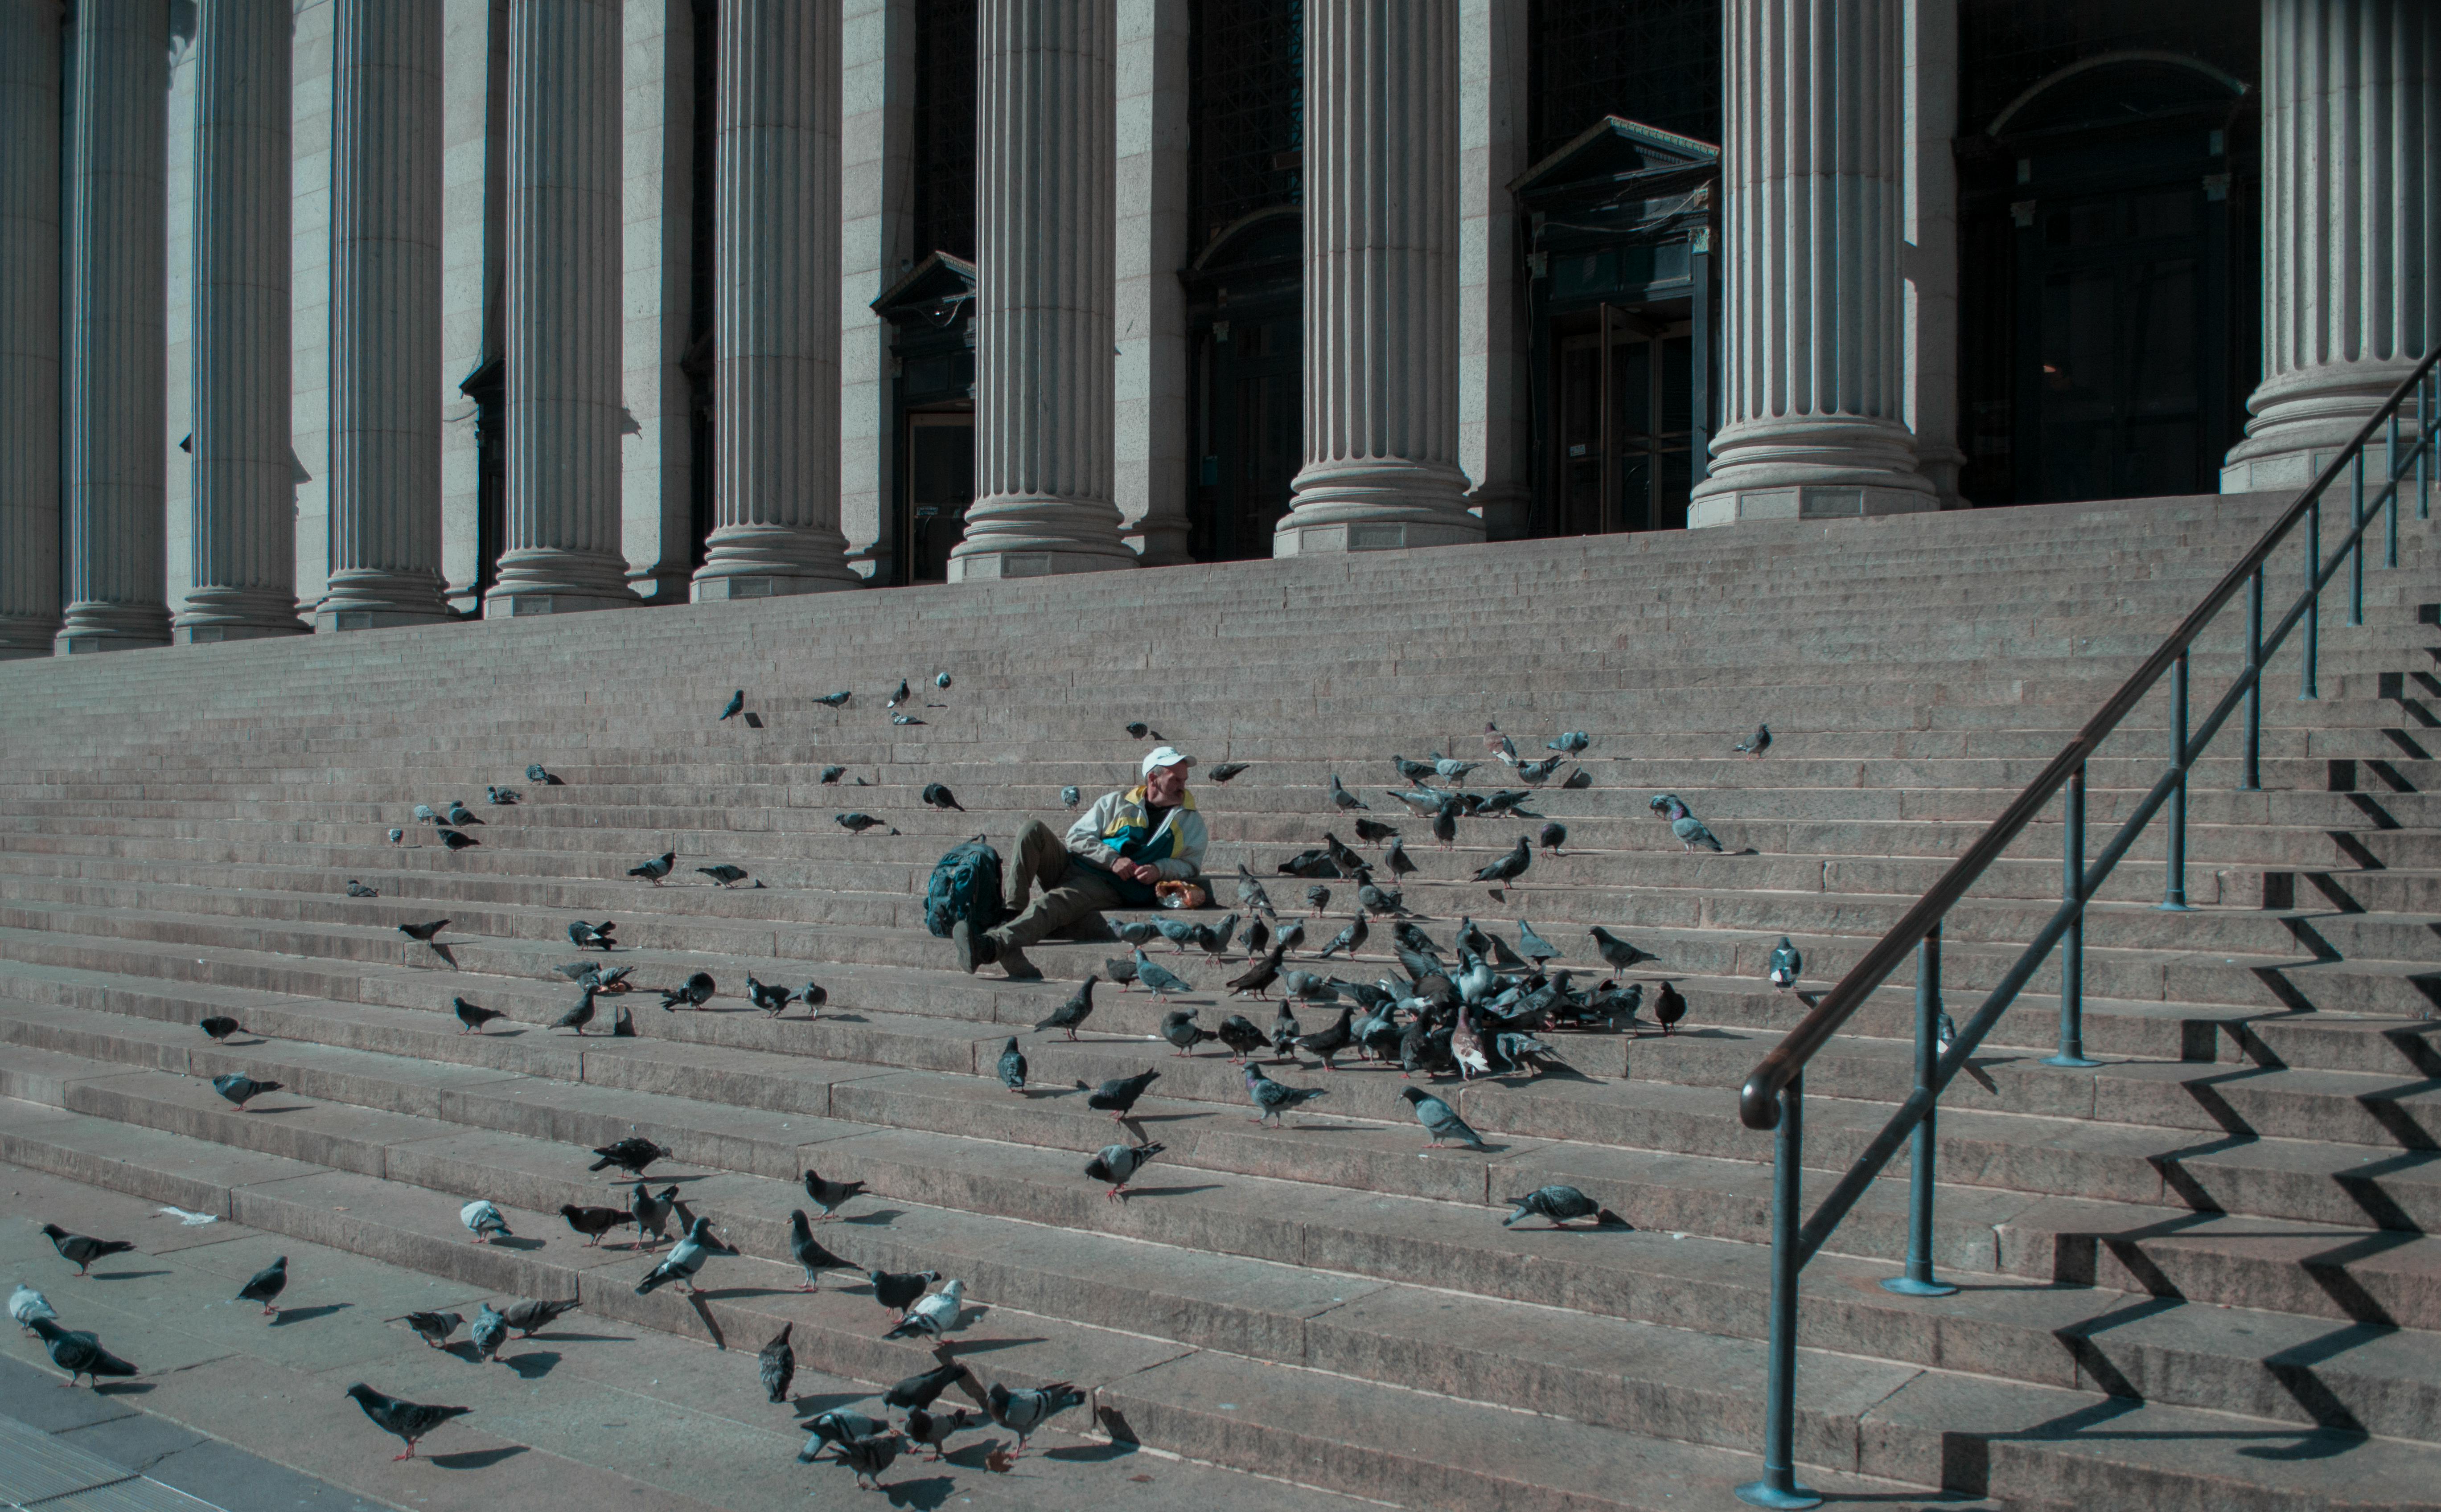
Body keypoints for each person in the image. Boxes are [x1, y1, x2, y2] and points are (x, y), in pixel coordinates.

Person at [953, 746, 1208, 980]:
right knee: (1032, 830)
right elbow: (1076, 837)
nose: (1183, 787)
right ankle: (1011, 914)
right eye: (1176, 779)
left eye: (1184, 780)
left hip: (1110, 886)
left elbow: (1191, 865)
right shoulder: (1117, 802)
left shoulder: (1190, 821)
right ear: (1153, 780)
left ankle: (989, 948)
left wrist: (1160, 870)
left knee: (1053, 902)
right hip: (1078, 865)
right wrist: (1112, 859)